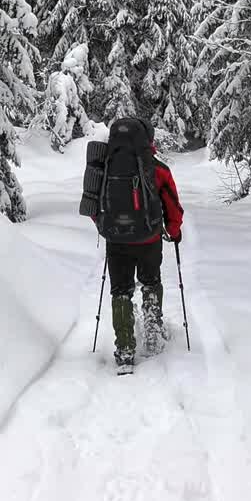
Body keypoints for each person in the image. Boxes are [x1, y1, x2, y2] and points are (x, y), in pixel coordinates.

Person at [104, 121, 183, 370]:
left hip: (116, 240)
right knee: (150, 282)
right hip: (148, 238)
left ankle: (125, 350)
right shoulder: (156, 168)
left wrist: (105, 228)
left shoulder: (105, 167)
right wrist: (174, 230)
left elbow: (94, 201)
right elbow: (172, 204)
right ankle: (151, 332)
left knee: (120, 291)